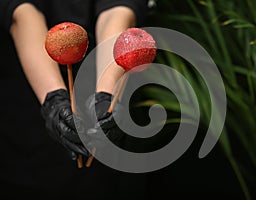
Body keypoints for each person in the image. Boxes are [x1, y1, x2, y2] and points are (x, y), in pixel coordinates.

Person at [0, 0, 154, 198]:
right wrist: (53, 100)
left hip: (112, 137)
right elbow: (21, 14)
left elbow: (116, 12)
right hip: (24, 120)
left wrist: (105, 96)